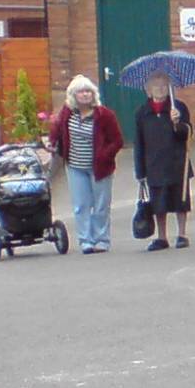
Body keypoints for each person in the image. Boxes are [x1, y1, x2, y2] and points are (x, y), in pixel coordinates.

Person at [46, 75, 123, 255]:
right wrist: (52, 141)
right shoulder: (67, 112)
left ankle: (101, 240)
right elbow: (58, 129)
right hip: (75, 166)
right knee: (81, 205)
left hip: (100, 168)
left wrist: (105, 155)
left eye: (88, 91)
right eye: (81, 91)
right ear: (73, 95)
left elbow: (117, 141)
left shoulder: (105, 115)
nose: (86, 94)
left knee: (101, 204)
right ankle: (85, 241)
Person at [133, 73, 194, 252]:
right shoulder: (142, 112)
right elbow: (139, 142)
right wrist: (140, 171)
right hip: (154, 163)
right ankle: (161, 237)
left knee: (180, 200)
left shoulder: (178, 107)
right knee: (158, 202)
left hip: (177, 161)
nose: (160, 89)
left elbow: (187, 134)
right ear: (148, 91)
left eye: (163, 85)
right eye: (156, 86)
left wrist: (178, 124)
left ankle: (182, 234)